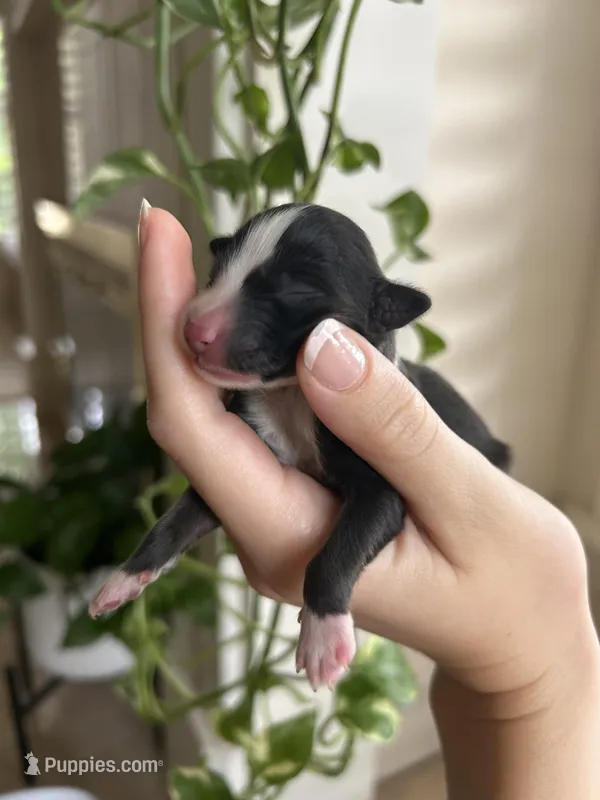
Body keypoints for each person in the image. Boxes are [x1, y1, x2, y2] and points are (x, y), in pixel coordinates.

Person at [137, 204, 600, 799]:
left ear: (375, 319)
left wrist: (536, 674)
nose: (207, 316)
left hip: (484, 496)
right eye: (221, 269)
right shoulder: (277, 406)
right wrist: (527, 680)